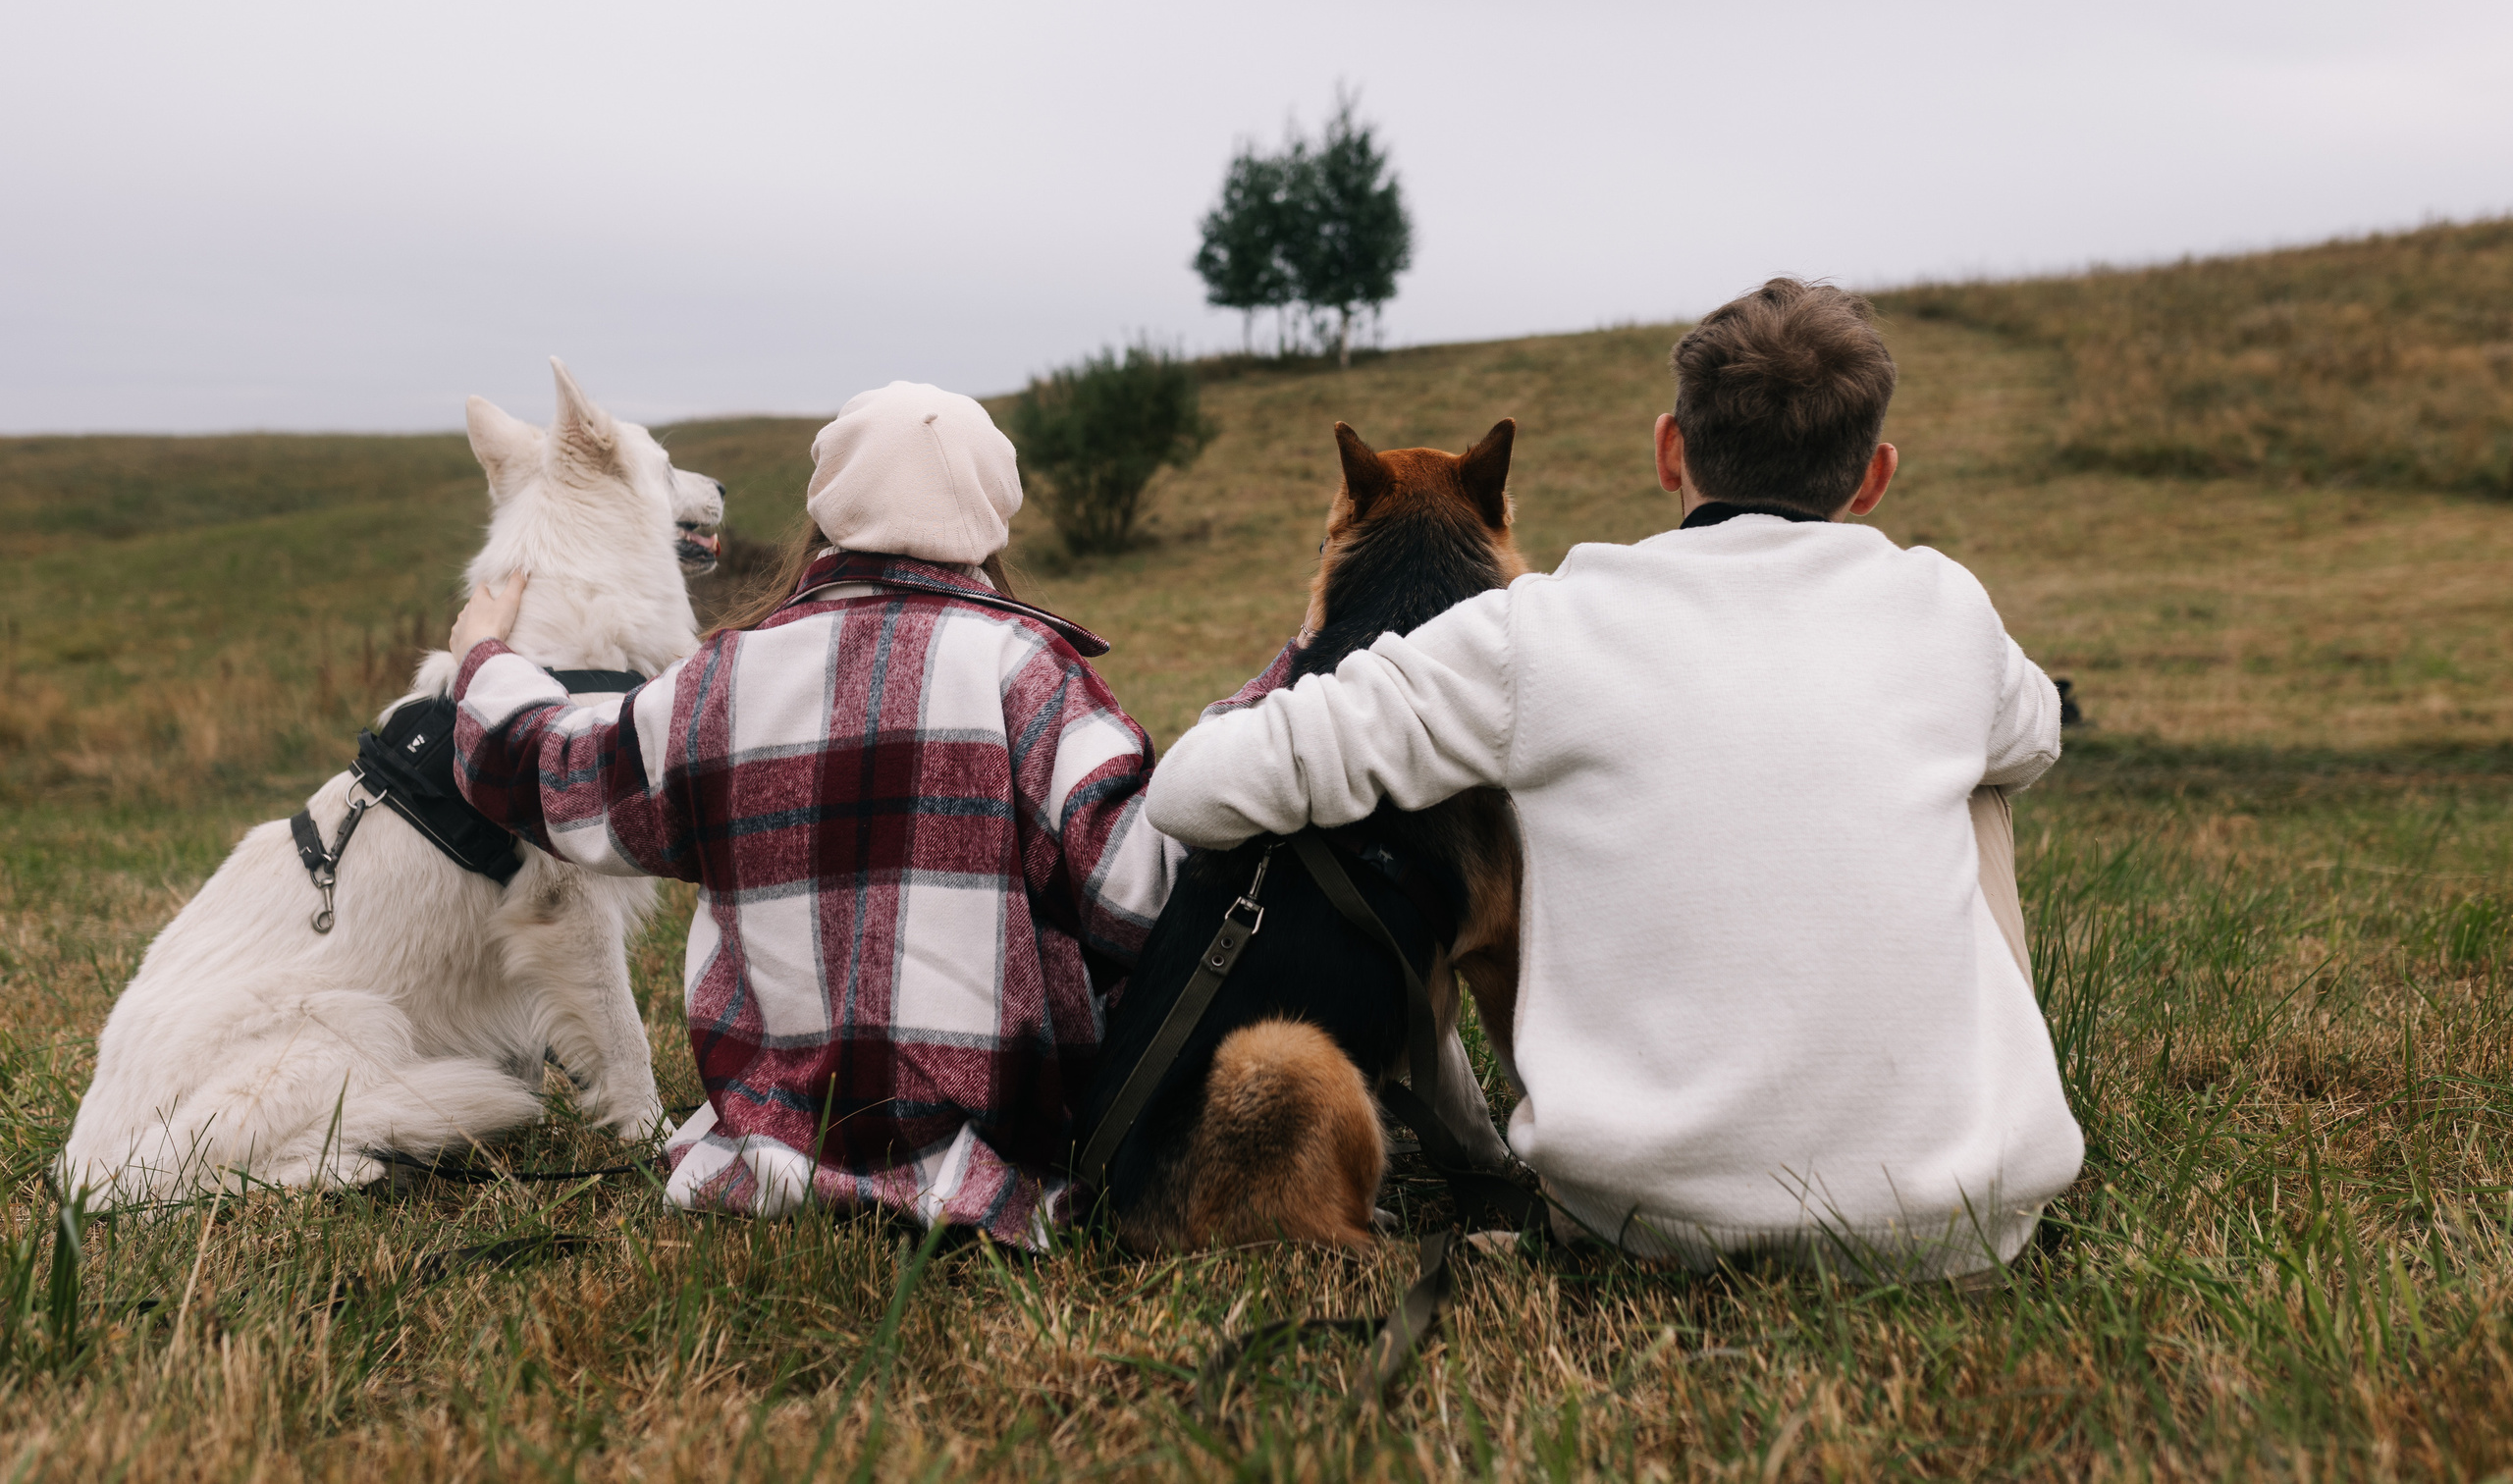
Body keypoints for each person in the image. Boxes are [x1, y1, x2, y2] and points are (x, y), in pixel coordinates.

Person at [1146, 279, 2084, 1280]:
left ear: (1668, 448)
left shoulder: (1544, 629)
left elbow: (1191, 791)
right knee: (1987, 778)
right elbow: (2036, 741)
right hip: (1953, 1233)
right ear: (1874, 478)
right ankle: (1956, 1113)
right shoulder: (1945, 610)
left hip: (1636, 1228)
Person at [446, 382, 1186, 1246]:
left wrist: (484, 660)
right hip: (1000, 1178)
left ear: (827, 512)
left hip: (764, 1175)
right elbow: (1137, 901)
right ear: (992, 517)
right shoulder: (1032, 674)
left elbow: (554, 775)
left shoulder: (719, 681)